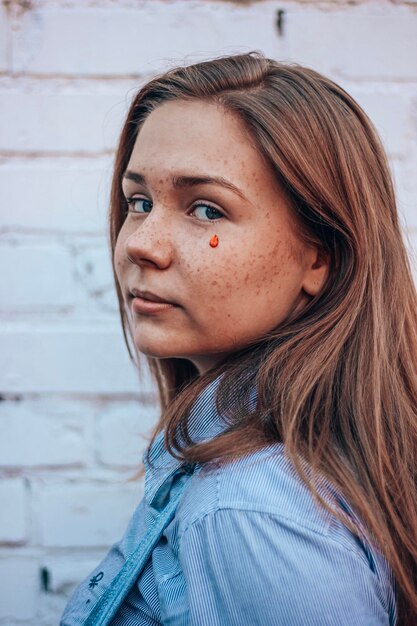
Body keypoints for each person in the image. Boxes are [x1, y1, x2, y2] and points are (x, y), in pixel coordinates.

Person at [60, 51, 417, 625]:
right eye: (139, 202)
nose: (140, 244)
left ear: (319, 258)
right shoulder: (274, 470)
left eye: (206, 209)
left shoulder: (247, 511)